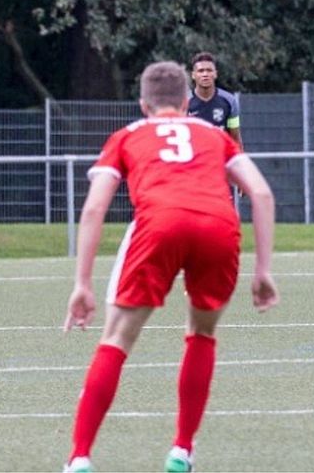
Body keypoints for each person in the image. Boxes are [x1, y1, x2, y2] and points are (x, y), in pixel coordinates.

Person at [62, 61, 279, 473]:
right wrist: (264, 270)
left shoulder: (127, 135)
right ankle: (181, 450)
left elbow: (94, 208)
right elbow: (262, 194)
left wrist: (82, 283)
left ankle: (80, 458)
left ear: (144, 104)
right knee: (201, 333)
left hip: (159, 225)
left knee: (116, 340)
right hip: (217, 226)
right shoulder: (215, 135)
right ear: (185, 101)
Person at [188, 51, 242, 149]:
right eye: (201, 71)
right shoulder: (183, 102)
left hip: (219, 160)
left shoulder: (229, 101)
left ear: (215, 74)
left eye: (209, 70)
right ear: (193, 75)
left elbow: (235, 138)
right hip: (194, 161)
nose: (205, 74)